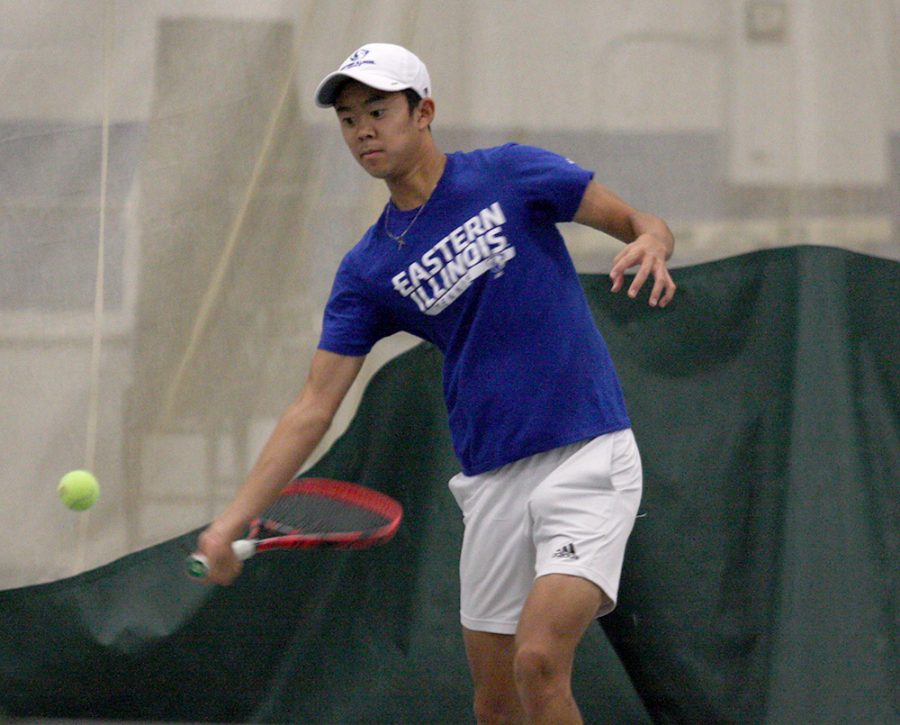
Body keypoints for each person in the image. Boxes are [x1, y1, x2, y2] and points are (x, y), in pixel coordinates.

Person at [195, 42, 676, 725]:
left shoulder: (512, 173)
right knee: (496, 701)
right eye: (349, 117)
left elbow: (640, 221)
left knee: (539, 659)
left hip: (588, 451)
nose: (363, 128)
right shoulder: (366, 270)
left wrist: (653, 241)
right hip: (490, 478)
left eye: (379, 110)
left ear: (424, 112)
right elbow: (313, 405)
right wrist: (230, 520)